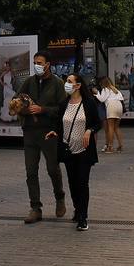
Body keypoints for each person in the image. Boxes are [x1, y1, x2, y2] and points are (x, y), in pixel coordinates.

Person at [47, 73, 103, 231]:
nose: (67, 84)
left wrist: (90, 130)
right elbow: (60, 124)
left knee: (83, 183)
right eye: (67, 81)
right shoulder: (64, 103)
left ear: (78, 85)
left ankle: (83, 217)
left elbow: (98, 123)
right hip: (68, 149)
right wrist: (55, 132)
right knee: (72, 183)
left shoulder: (89, 103)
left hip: (84, 150)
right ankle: (77, 209)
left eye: (70, 82)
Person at [17, 52, 67, 223]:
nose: (36, 65)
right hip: (30, 132)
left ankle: (60, 198)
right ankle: (35, 207)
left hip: (49, 132)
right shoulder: (29, 81)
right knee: (31, 171)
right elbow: (17, 100)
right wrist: (23, 109)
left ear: (48, 64)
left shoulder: (57, 83)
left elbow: (62, 108)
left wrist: (42, 109)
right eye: (34, 62)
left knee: (53, 169)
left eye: (39, 62)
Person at [96, 76, 124, 153]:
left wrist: (96, 93)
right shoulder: (115, 90)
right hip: (119, 106)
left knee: (110, 127)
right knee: (116, 127)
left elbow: (102, 99)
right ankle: (120, 145)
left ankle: (110, 147)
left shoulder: (105, 89)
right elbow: (122, 98)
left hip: (111, 106)